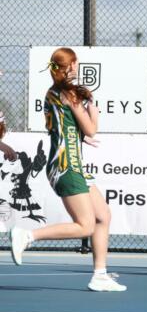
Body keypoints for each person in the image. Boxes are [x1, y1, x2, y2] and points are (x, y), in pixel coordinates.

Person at [9, 47, 126, 292]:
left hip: (71, 162)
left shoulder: (54, 92)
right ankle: (27, 236)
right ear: (71, 66)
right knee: (85, 225)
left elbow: (63, 128)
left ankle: (100, 275)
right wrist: (93, 112)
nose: (77, 67)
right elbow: (92, 127)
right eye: (76, 63)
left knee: (103, 215)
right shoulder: (68, 93)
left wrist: (81, 137)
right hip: (66, 165)